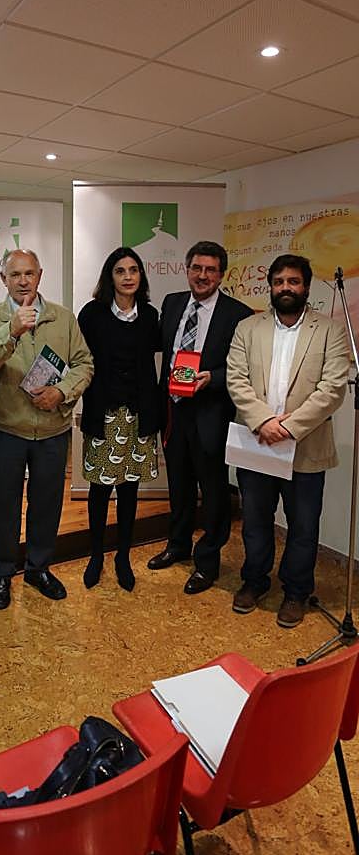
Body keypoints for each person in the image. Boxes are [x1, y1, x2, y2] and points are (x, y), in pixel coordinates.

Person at [226, 254, 349, 627]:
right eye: (279, 281)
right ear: (271, 286)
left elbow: (333, 389)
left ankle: (296, 592)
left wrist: (290, 427)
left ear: (306, 287)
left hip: (306, 447)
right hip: (257, 444)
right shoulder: (248, 328)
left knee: (303, 526)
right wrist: (264, 421)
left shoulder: (329, 330)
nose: (285, 288)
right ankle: (255, 581)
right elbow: (236, 379)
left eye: (293, 281)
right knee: (255, 521)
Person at [0, 248, 93, 610]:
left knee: (46, 504)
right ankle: (1, 573)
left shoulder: (63, 318)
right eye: (15, 274)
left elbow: (84, 364)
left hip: (53, 430)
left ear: (40, 275)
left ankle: (39, 569)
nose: (23, 281)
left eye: (29, 273)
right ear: (3, 279)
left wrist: (61, 392)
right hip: (8, 429)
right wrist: (11, 330)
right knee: (3, 507)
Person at [147, 240, 252, 594]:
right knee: (178, 484)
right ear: (187, 269)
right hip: (173, 411)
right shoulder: (172, 303)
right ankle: (177, 545)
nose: (202, 275)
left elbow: (242, 366)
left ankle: (207, 561)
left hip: (211, 413)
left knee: (213, 491)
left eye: (210, 270)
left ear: (221, 275)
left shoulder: (238, 314)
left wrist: (213, 378)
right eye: (197, 268)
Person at [78, 247, 160, 591]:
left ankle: (123, 556)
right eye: (120, 271)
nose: (128, 277)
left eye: (133, 270)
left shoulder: (150, 315)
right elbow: (80, 359)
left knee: (129, 491)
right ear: (109, 277)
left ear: (141, 275)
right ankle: (96, 555)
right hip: (104, 414)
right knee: (99, 491)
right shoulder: (92, 314)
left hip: (138, 415)